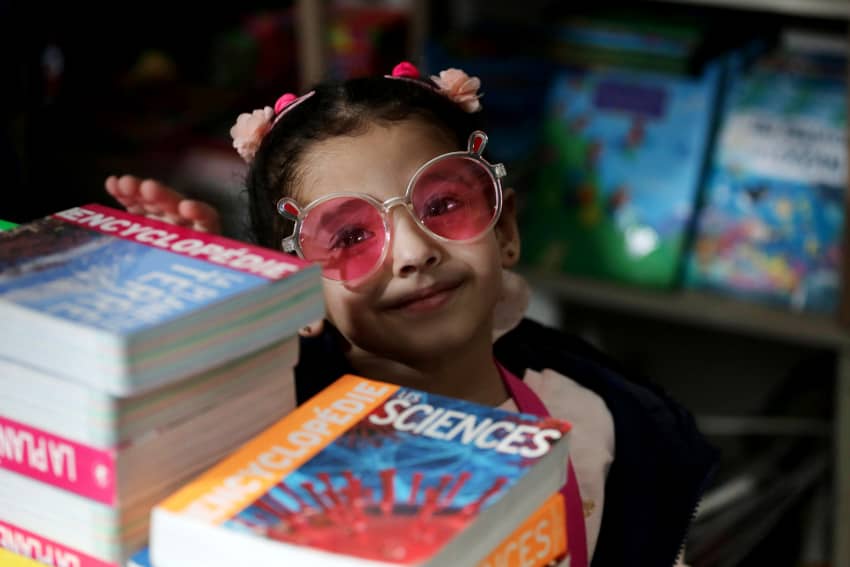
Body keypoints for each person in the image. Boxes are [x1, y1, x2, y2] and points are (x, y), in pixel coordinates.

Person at [105, 62, 716, 567]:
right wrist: (195, 311)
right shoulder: (270, 438)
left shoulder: (600, 424)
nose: (416, 252)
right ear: (294, 290)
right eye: (348, 237)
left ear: (504, 230)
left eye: (444, 204)